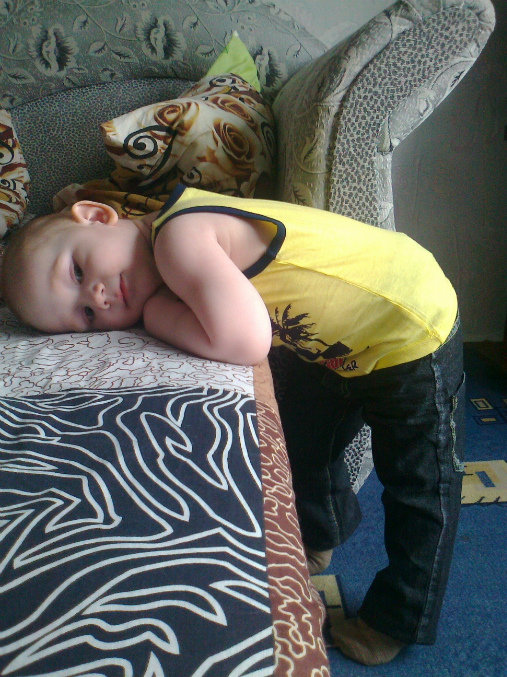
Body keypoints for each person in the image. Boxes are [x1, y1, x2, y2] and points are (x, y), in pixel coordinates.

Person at [1, 183, 465, 666]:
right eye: (86, 315)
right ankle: (320, 534)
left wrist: (157, 316)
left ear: (97, 216)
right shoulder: (166, 253)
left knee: (421, 484)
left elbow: (246, 341)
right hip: (341, 342)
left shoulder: (177, 238)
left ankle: (397, 618)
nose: (97, 298)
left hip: (409, 320)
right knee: (308, 442)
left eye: (77, 270)